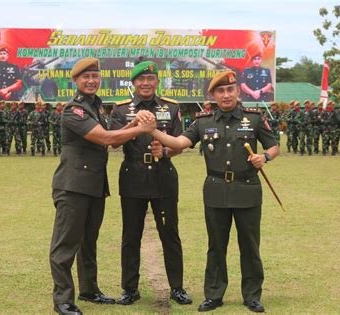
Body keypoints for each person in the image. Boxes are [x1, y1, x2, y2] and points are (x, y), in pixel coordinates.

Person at [149, 70, 279, 313]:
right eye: (220, 91)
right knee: (216, 245)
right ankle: (214, 295)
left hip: (247, 189)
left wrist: (265, 157)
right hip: (216, 190)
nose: (226, 95)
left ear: (238, 91)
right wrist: (153, 131)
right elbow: (178, 143)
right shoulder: (203, 121)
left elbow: (274, 146)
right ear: (213, 95)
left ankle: (252, 295)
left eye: (230, 90)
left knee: (250, 245)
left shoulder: (253, 118)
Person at [49, 57, 156, 315]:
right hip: (73, 186)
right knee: (65, 245)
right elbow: (106, 138)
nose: (91, 81)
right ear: (75, 81)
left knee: (89, 241)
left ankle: (89, 289)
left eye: (95, 77)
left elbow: (114, 140)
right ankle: (63, 300)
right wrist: (141, 129)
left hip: (94, 186)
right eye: (85, 77)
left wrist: (133, 123)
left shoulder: (95, 107)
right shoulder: (73, 109)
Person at [110, 60, 192, 306]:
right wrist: (134, 125)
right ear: (133, 83)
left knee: (170, 234)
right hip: (133, 175)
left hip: (163, 176)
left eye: (150, 79)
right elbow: (114, 142)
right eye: (141, 79)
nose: (146, 83)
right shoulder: (121, 109)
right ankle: (130, 289)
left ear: (157, 81)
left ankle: (177, 288)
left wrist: (164, 151)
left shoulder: (172, 107)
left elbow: (179, 143)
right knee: (131, 235)